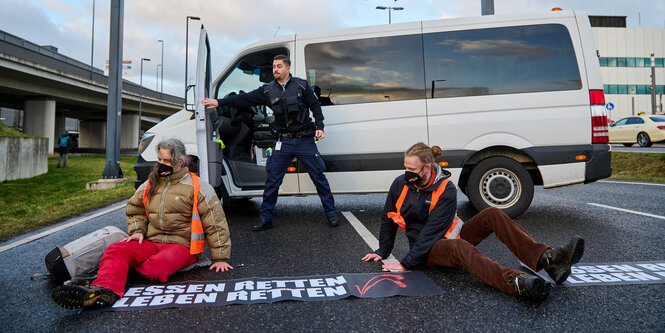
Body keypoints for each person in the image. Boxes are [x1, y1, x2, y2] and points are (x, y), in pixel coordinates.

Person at [361, 142, 585, 302]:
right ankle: (515, 282)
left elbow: (435, 228)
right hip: (428, 250)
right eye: (405, 167)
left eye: (411, 169)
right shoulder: (400, 184)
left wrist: (403, 263)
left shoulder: (446, 189)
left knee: (493, 214)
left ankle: (548, 260)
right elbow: (389, 217)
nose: (406, 172)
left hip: (449, 234)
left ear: (427, 168)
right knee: (460, 247)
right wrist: (384, 250)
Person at [52, 138, 232, 309]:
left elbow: (215, 222)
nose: (161, 163)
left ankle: (116, 270)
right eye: (159, 159)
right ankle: (103, 292)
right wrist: (137, 231)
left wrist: (220, 258)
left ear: (180, 161)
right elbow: (135, 209)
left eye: (167, 160)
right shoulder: (149, 184)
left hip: (183, 245)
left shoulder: (198, 186)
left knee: (155, 269)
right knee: (116, 250)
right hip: (152, 242)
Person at [202, 54, 338, 231]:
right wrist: (218, 102)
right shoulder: (267, 90)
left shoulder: (301, 86)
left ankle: (331, 214)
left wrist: (320, 126)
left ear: (288, 68)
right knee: (272, 181)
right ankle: (265, 218)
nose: (275, 69)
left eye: (279, 66)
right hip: (283, 142)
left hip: (305, 140)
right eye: (274, 66)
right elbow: (243, 99)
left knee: (318, 177)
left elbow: (315, 107)